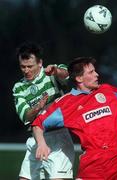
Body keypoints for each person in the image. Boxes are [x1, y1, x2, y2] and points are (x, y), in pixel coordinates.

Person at [32, 57, 117, 180]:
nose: (97, 74)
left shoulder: (108, 91)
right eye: (91, 72)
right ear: (79, 78)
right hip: (92, 163)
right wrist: (41, 144)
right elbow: (37, 124)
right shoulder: (66, 103)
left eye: (95, 71)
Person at [12, 42, 75, 180]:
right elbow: (25, 116)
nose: (26, 70)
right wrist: (37, 108)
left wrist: (56, 71)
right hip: (35, 138)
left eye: (30, 66)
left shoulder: (51, 73)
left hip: (59, 137)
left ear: (40, 63)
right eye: (23, 67)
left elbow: (67, 73)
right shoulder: (19, 87)